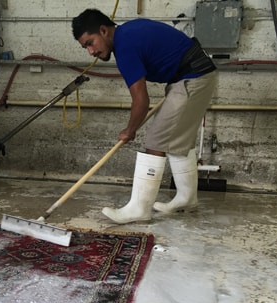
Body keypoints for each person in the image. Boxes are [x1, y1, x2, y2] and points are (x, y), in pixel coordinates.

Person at [71, 9, 218, 224]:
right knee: (178, 139)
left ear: (104, 31)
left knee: (156, 139)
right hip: (197, 74)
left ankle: (139, 209)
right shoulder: (129, 32)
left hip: (192, 78)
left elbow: (141, 101)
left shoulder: (125, 46)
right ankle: (187, 198)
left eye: (90, 43)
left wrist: (129, 130)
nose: (91, 52)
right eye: (85, 47)